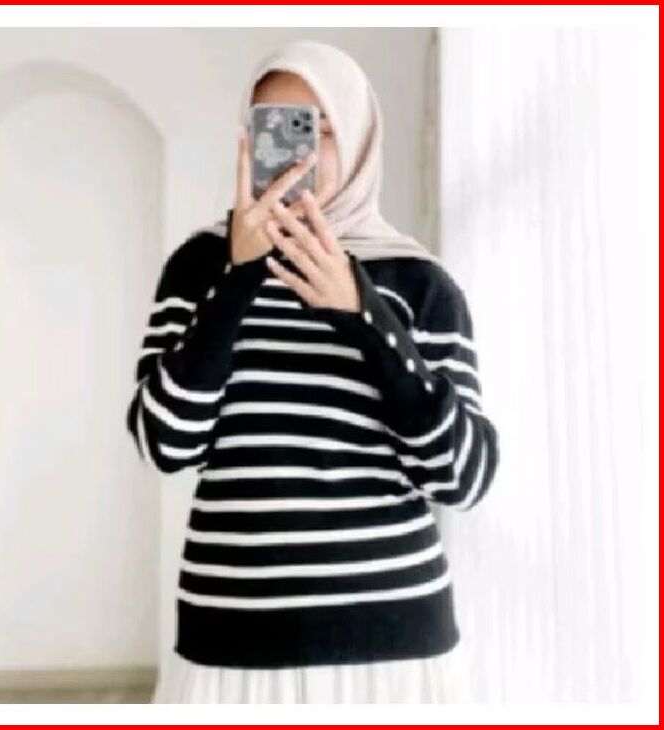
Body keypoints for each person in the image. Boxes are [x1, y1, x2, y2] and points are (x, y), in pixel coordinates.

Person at [126, 39, 500, 703]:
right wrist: (240, 277)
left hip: (394, 645)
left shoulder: (418, 283)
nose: (300, 149)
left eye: (322, 126)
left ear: (357, 138)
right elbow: (164, 444)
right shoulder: (199, 268)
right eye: (278, 126)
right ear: (247, 141)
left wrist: (363, 316)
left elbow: (464, 476)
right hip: (230, 645)